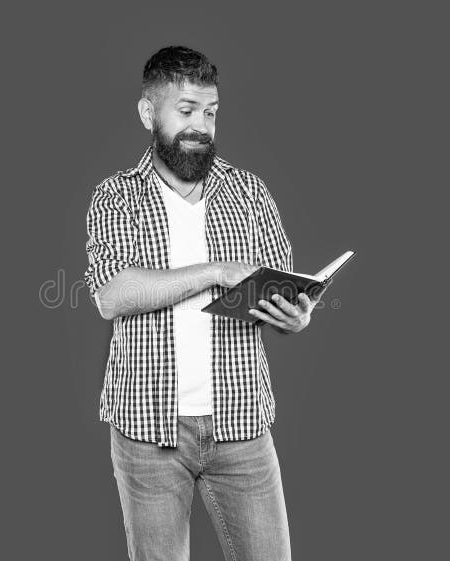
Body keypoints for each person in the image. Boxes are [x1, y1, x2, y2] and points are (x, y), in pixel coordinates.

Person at [83, 45, 323, 561]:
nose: (201, 126)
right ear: (149, 113)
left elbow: (281, 286)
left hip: (242, 425)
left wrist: (296, 316)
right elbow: (112, 294)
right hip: (147, 430)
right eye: (186, 110)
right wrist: (215, 271)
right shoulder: (117, 196)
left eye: (210, 112)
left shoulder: (249, 193)